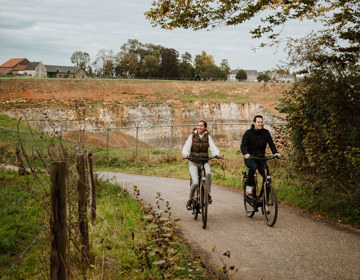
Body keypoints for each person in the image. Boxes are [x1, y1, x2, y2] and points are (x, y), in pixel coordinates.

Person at [182, 120, 222, 210]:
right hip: (193, 162)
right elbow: (186, 147)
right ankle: (190, 199)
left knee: (208, 174)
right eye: (198, 125)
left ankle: (208, 195)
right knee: (195, 182)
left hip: (204, 161)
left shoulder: (207, 137)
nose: (199, 127)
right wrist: (186, 154)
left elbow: (212, 147)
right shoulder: (192, 136)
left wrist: (217, 154)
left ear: (205, 127)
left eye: (201, 126)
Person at [240, 115, 280, 198]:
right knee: (253, 166)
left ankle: (265, 201)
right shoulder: (248, 133)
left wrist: (275, 153)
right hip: (250, 158)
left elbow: (271, 144)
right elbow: (243, 146)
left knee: (268, 179)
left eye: (261, 122)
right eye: (258, 122)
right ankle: (249, 186)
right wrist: (246, 154)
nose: (260, 124)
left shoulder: (266, 132)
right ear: (254, 123)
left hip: (261, 158)